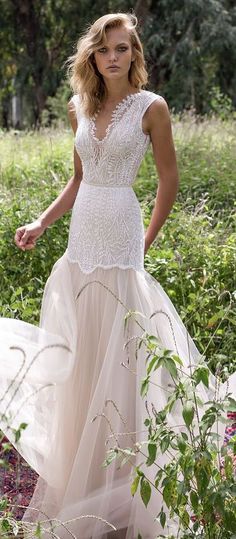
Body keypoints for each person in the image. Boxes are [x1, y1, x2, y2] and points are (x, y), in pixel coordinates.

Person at [0, 11, 235, 539]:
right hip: (82, 236)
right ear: (92, 55)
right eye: (104, 49)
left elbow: (169, 179)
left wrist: (146, 240)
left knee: (124, 347)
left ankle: (128, 476)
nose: (113, 57)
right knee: (86, 351)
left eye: (122, 49)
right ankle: (84, 477)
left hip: (123, 232)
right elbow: (79, 179)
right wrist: (41, 221)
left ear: (135, 54)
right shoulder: (77, 107)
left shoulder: (153, 108)